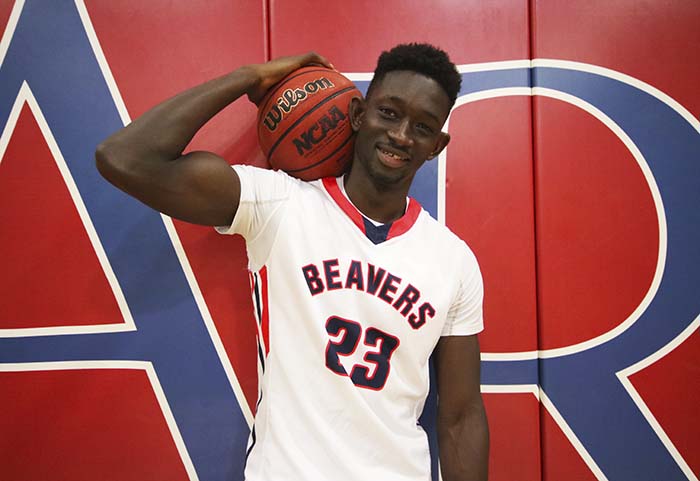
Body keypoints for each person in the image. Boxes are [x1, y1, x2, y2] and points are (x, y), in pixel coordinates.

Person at [96, 43, 489, 481]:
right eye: (390, 113)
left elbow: (461, 417)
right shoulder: (279, 205)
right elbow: (124, 158)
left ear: (437, 145)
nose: (400, 135)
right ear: (358, 115)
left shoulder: (454, 261)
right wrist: (250, 77)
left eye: (422, 126)